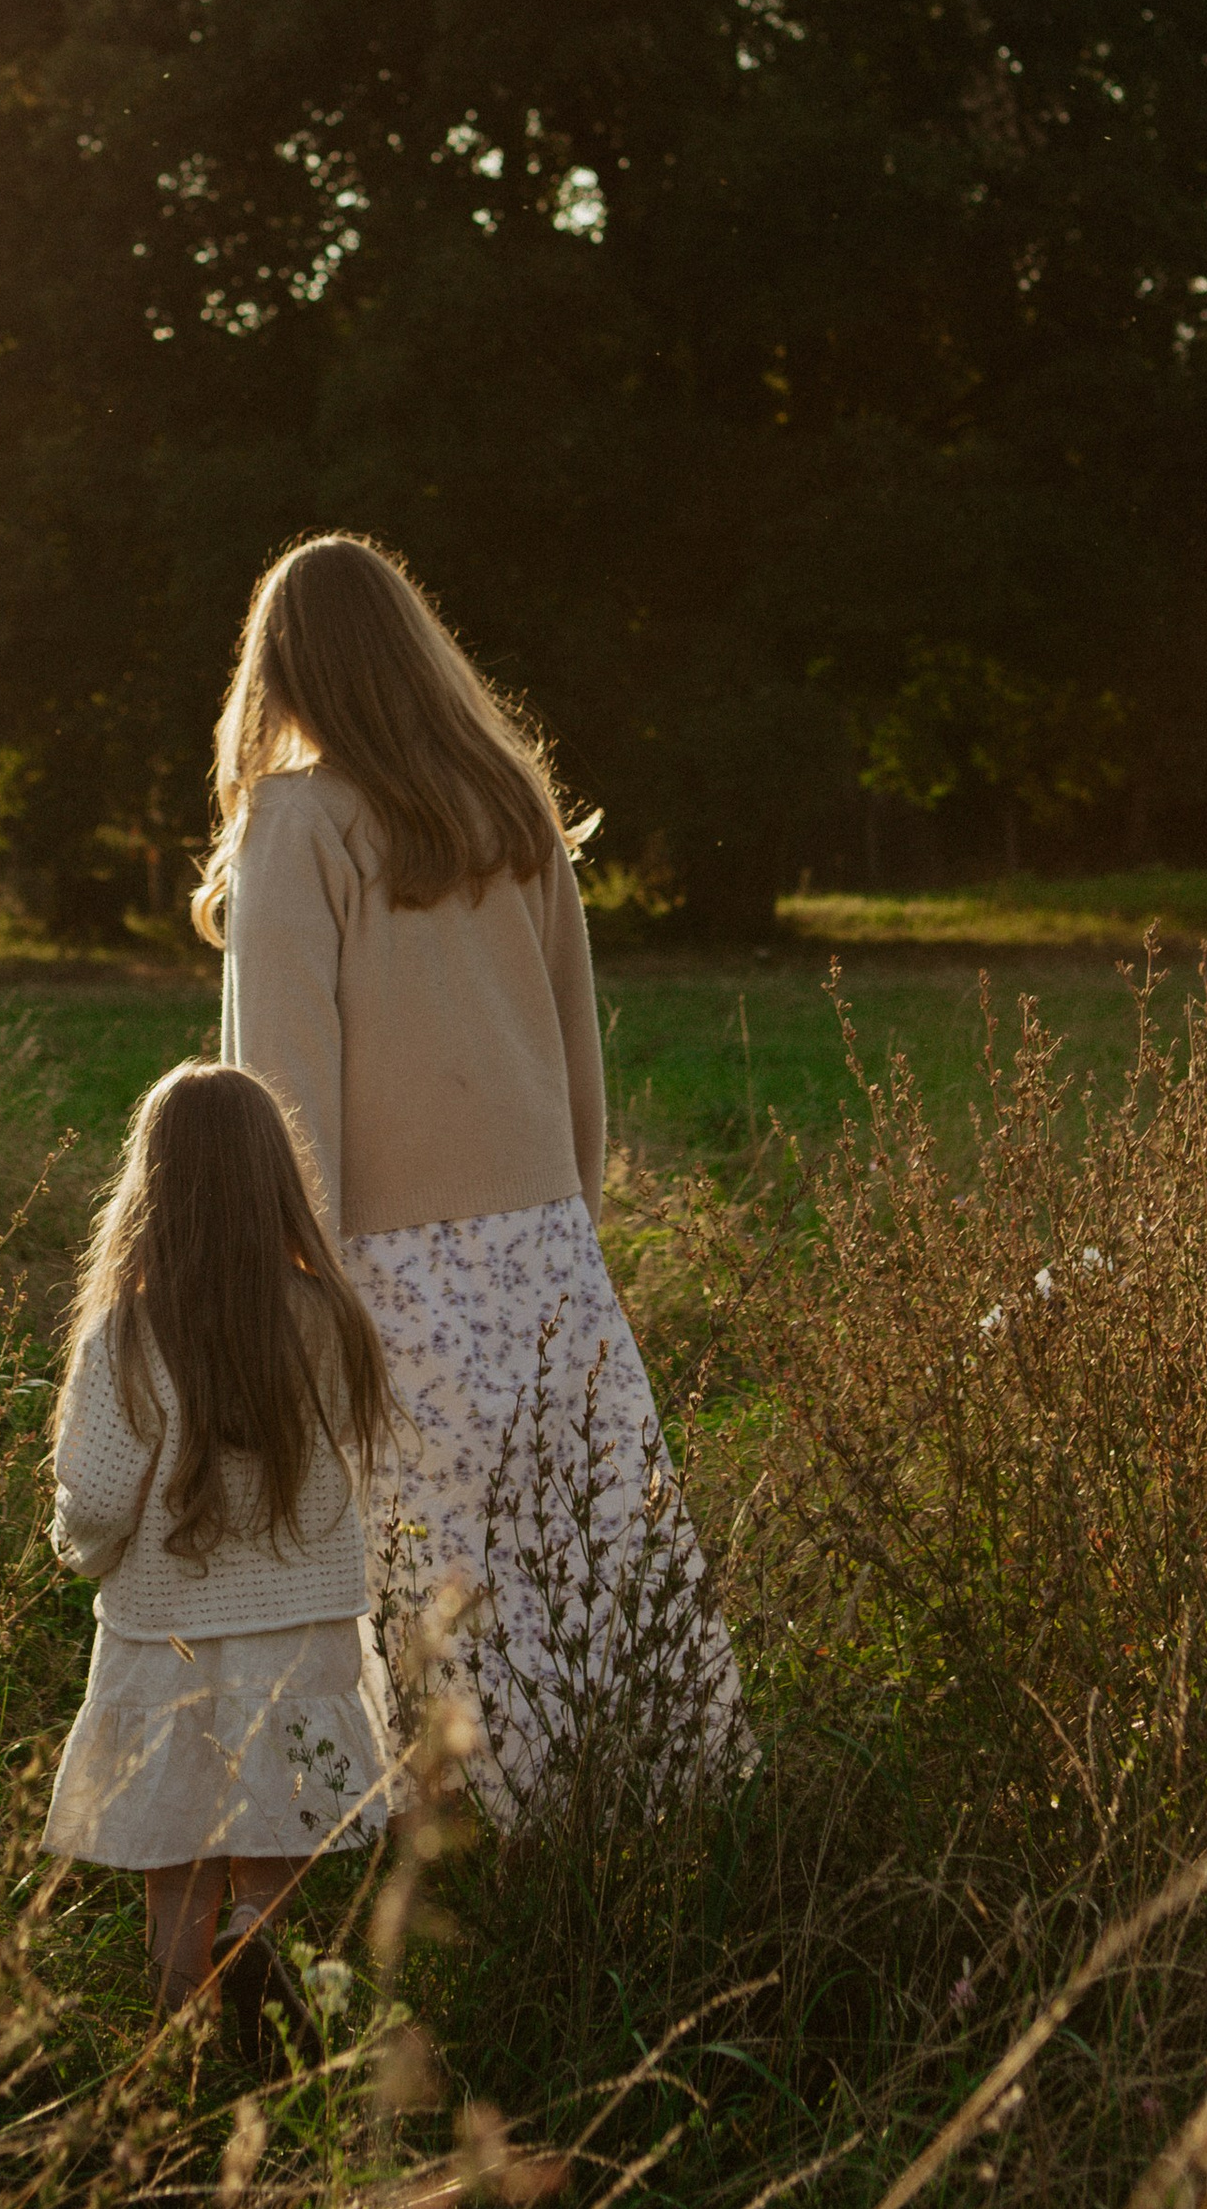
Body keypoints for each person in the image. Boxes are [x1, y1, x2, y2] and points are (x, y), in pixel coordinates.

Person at [197, 533, 748, 1810]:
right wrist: (571, 1232)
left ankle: (463, 1872)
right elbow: (576, 1056)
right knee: (589, 1560)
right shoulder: (510, 808)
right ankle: (641, 1823)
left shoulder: (294, 821)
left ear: (277, 671)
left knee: (426, 1579)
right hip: (548, 1249)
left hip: (378, 1265)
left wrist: (292, 1289)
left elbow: (281, 1090)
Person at [43, 1059, 397, 2053]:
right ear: (274, 1180)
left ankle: (179, 2054)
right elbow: (354, 1463)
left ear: (150, 1183)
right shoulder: (328, 1317)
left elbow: (100, 1498)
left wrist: (81, 1548)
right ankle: (259, 1941)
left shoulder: (127, 1330)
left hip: (167, 1637)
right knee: (277, 1829)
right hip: (303, 1628)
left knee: (176, 1863)